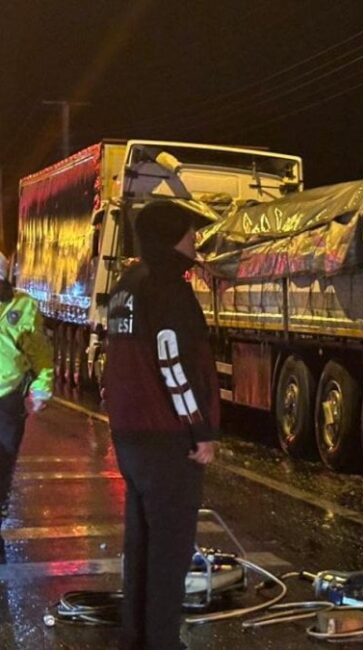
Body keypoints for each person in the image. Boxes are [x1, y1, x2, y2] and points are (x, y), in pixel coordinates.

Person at [103, 200, 220, 650]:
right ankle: (161, 640)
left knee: (142, 545)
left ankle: (135, 635)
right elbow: (175, 365)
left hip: (130, 435)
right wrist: (201, 432)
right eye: (189, 233)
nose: (195, 242)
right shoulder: (169, 288)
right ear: (171, 237)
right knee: (170, 551)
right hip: (167, 438)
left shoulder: (125, 285)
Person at [0, 251, 53, 529]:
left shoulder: (23, 306)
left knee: (4, 461)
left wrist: (42, 388)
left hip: (7, 399)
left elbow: (40, 354)